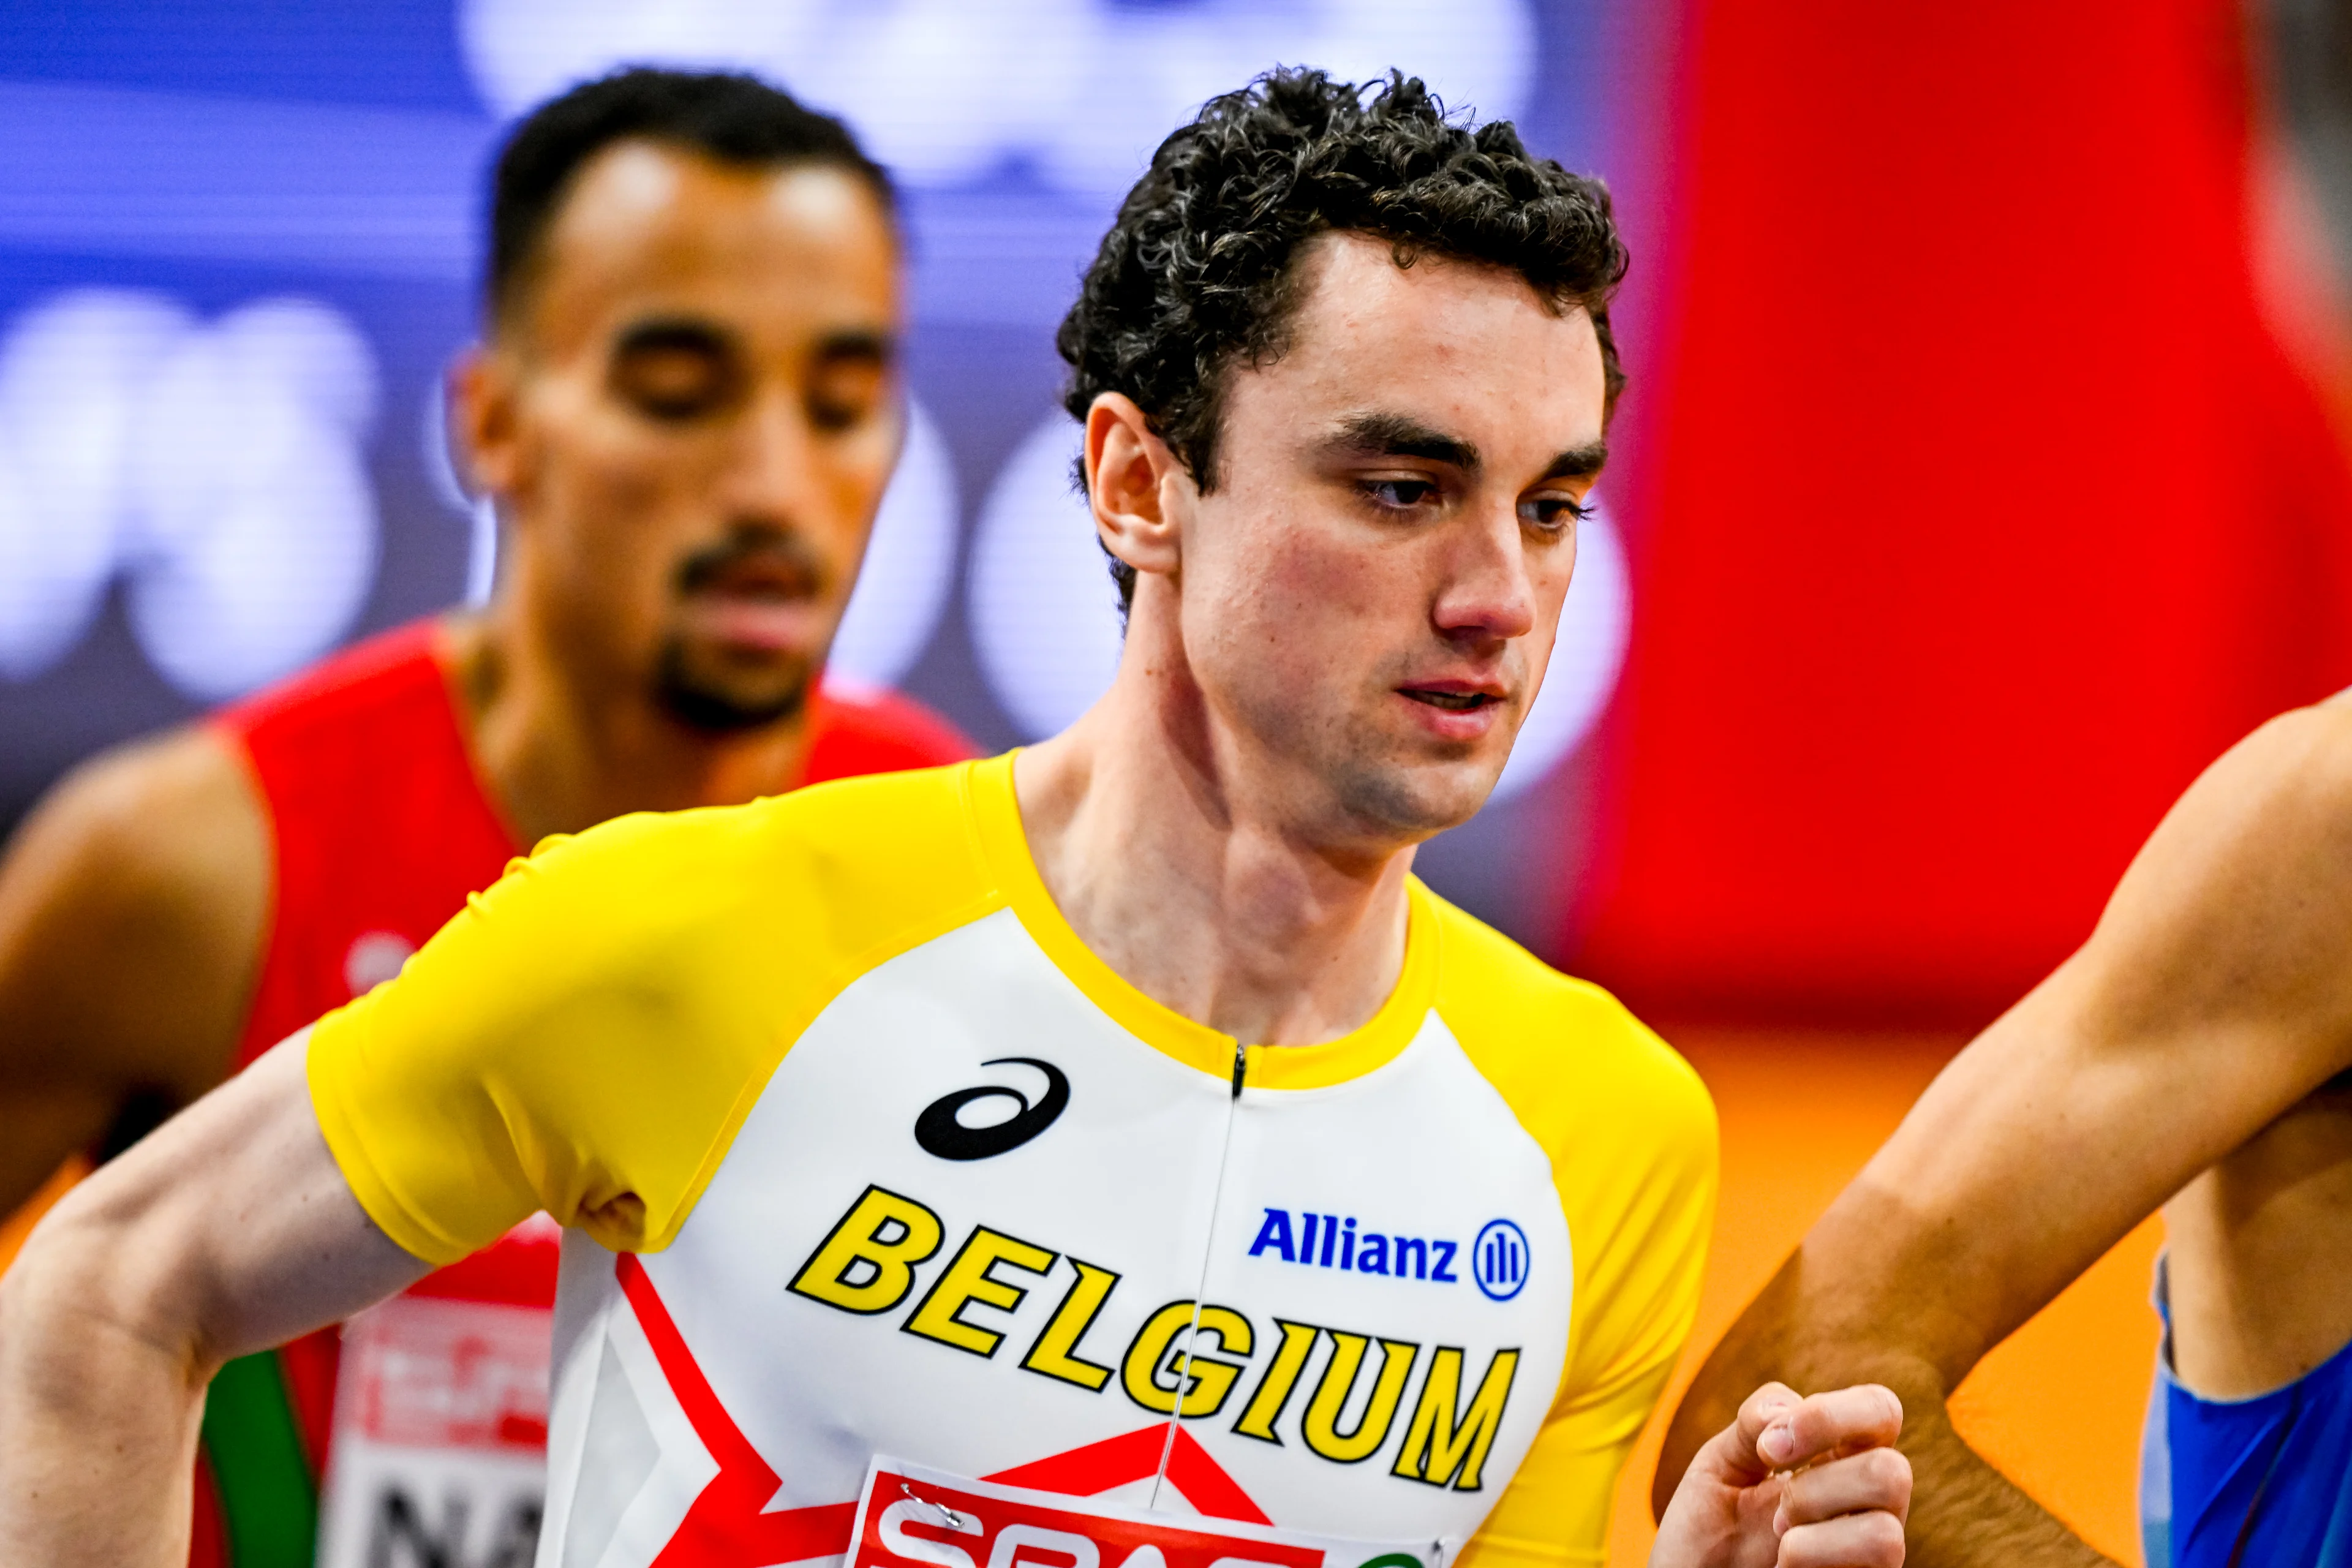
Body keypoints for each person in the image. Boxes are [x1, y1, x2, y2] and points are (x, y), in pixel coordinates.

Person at [0, 69, 1911, 1568]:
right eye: (1404, 488)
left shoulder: (1606, 1137)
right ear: (1138, 483)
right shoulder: (686, 931)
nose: (1501, 592)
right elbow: (105, 1287)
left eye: (1553, 504)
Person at [0, 69, 973, 1568]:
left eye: (842, 401)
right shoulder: (187, 868)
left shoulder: (957, 877)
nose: (780, 481)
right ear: (495, 423)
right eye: (678, 389)